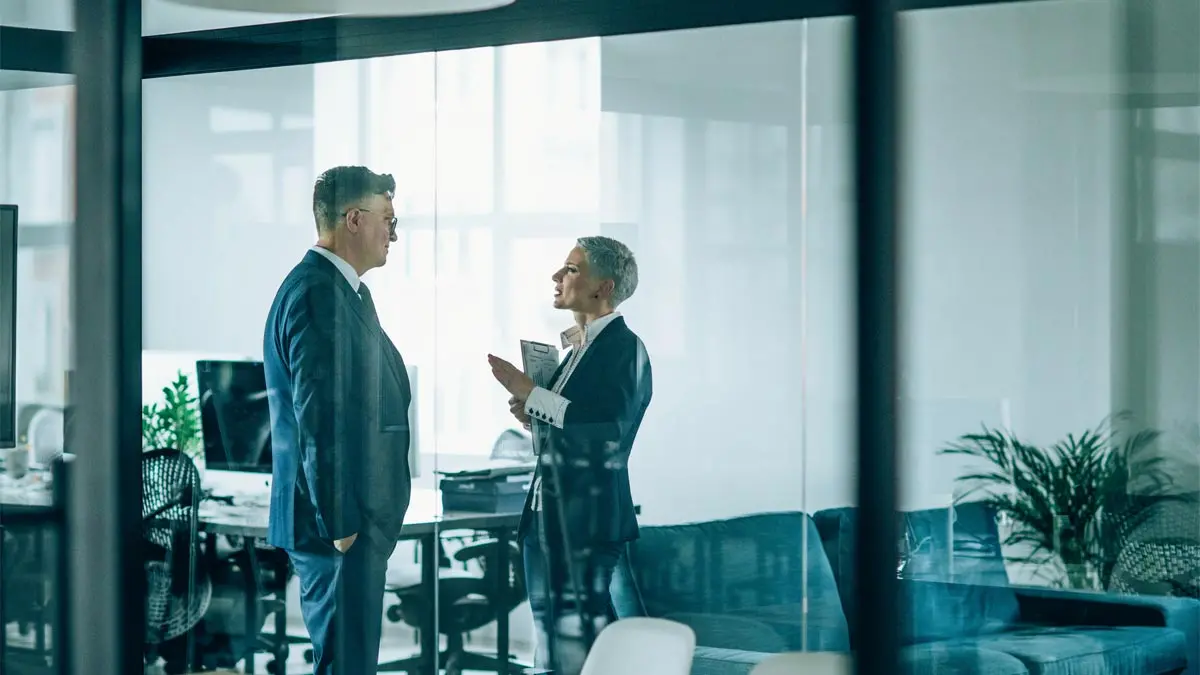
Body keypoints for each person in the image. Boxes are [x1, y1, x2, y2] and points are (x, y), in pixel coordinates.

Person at [263, 166, 413, 675]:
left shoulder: (346, 292)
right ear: (354, 219)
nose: (394, 233)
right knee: (346, 664)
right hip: (338, 526)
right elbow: (319, 417)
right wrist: (341, 524)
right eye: (388, 220)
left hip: (350, 522)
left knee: (352, 661)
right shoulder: (317, 293)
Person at [487, 236, 653, 674]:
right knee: (558, 642)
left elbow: (608, 432)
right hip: (546, 516)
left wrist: (532, 394)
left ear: (604, 286)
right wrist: (532, 414)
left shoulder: (624, 348)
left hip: (587, 519)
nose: (557, 277)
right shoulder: (578, 349)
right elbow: (572, 423)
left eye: (571, 269)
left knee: (585, 640)